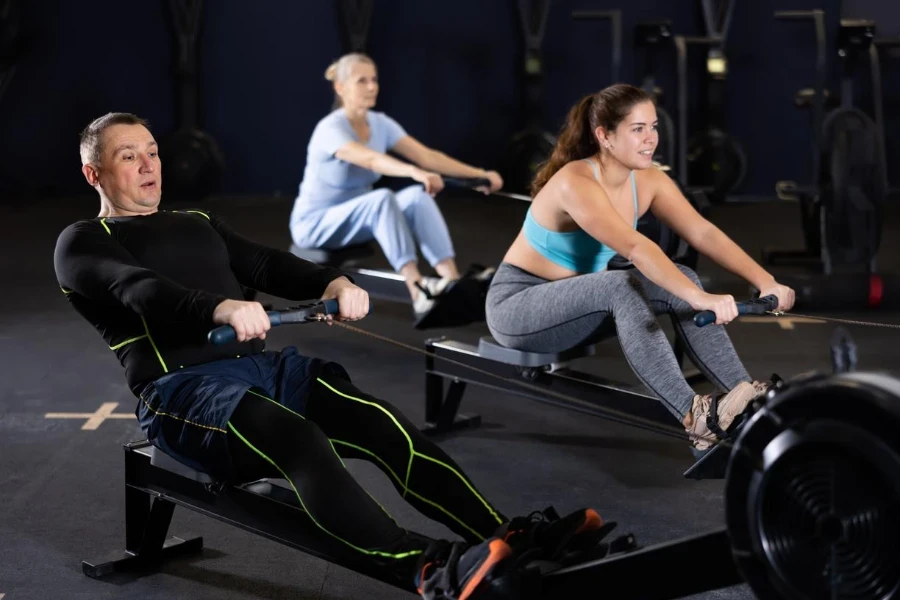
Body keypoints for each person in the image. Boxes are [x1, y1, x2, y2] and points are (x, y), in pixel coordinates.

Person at [54, 112, 606, 600]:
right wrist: (220, 309)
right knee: (300, 440)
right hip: (183, 392)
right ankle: (427, 567)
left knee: (382, 424)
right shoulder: (83, 240)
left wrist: (333, 282)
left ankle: (503, 535)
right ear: (94, 173)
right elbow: (139, 289)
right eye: (129, 157)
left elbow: (270, 266)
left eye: (151, 152)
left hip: (264, 372)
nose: (149, 164)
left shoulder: (197, 223)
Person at [485, 84, 797, 455]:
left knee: (684, 277)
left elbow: (702, 231)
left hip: (580, 305)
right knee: (624, 284)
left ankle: (747, 404)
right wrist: (699, 299)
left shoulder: (648, 179)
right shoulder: (575, 181)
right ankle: (694, 417)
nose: (650, 139)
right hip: (518, 306)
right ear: (605, 136)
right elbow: (634, 247)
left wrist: (765, 281)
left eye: (653, 127)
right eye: (637, 129)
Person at [289, 52, 502, 322]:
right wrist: (413, 171)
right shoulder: (329, 128)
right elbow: (368, 158)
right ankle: (418, 290)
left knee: (416, 197)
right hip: (315, 224)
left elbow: (427, 156)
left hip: (358, 218)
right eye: (361, 81)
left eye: (374, 80)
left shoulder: (380, 123)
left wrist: (480, 175)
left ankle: (451, 280)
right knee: (381, 199)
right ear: (340, 87)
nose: (371, 86)